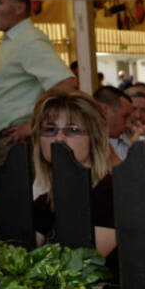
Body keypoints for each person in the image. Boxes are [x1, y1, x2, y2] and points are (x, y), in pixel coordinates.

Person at [0, 0, 75, 194]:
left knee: (14, 220)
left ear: (20, 8)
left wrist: (32, 124)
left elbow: (66, 83)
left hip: (14, 146)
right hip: (4, 146)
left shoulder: (28, 40)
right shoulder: (14, 41)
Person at [26, 90, 117, 261]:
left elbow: (81, 264)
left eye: (72, 130)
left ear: (94, 138)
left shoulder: (110, 193)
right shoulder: (45, 203)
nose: (59, 138)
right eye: (50, 129)